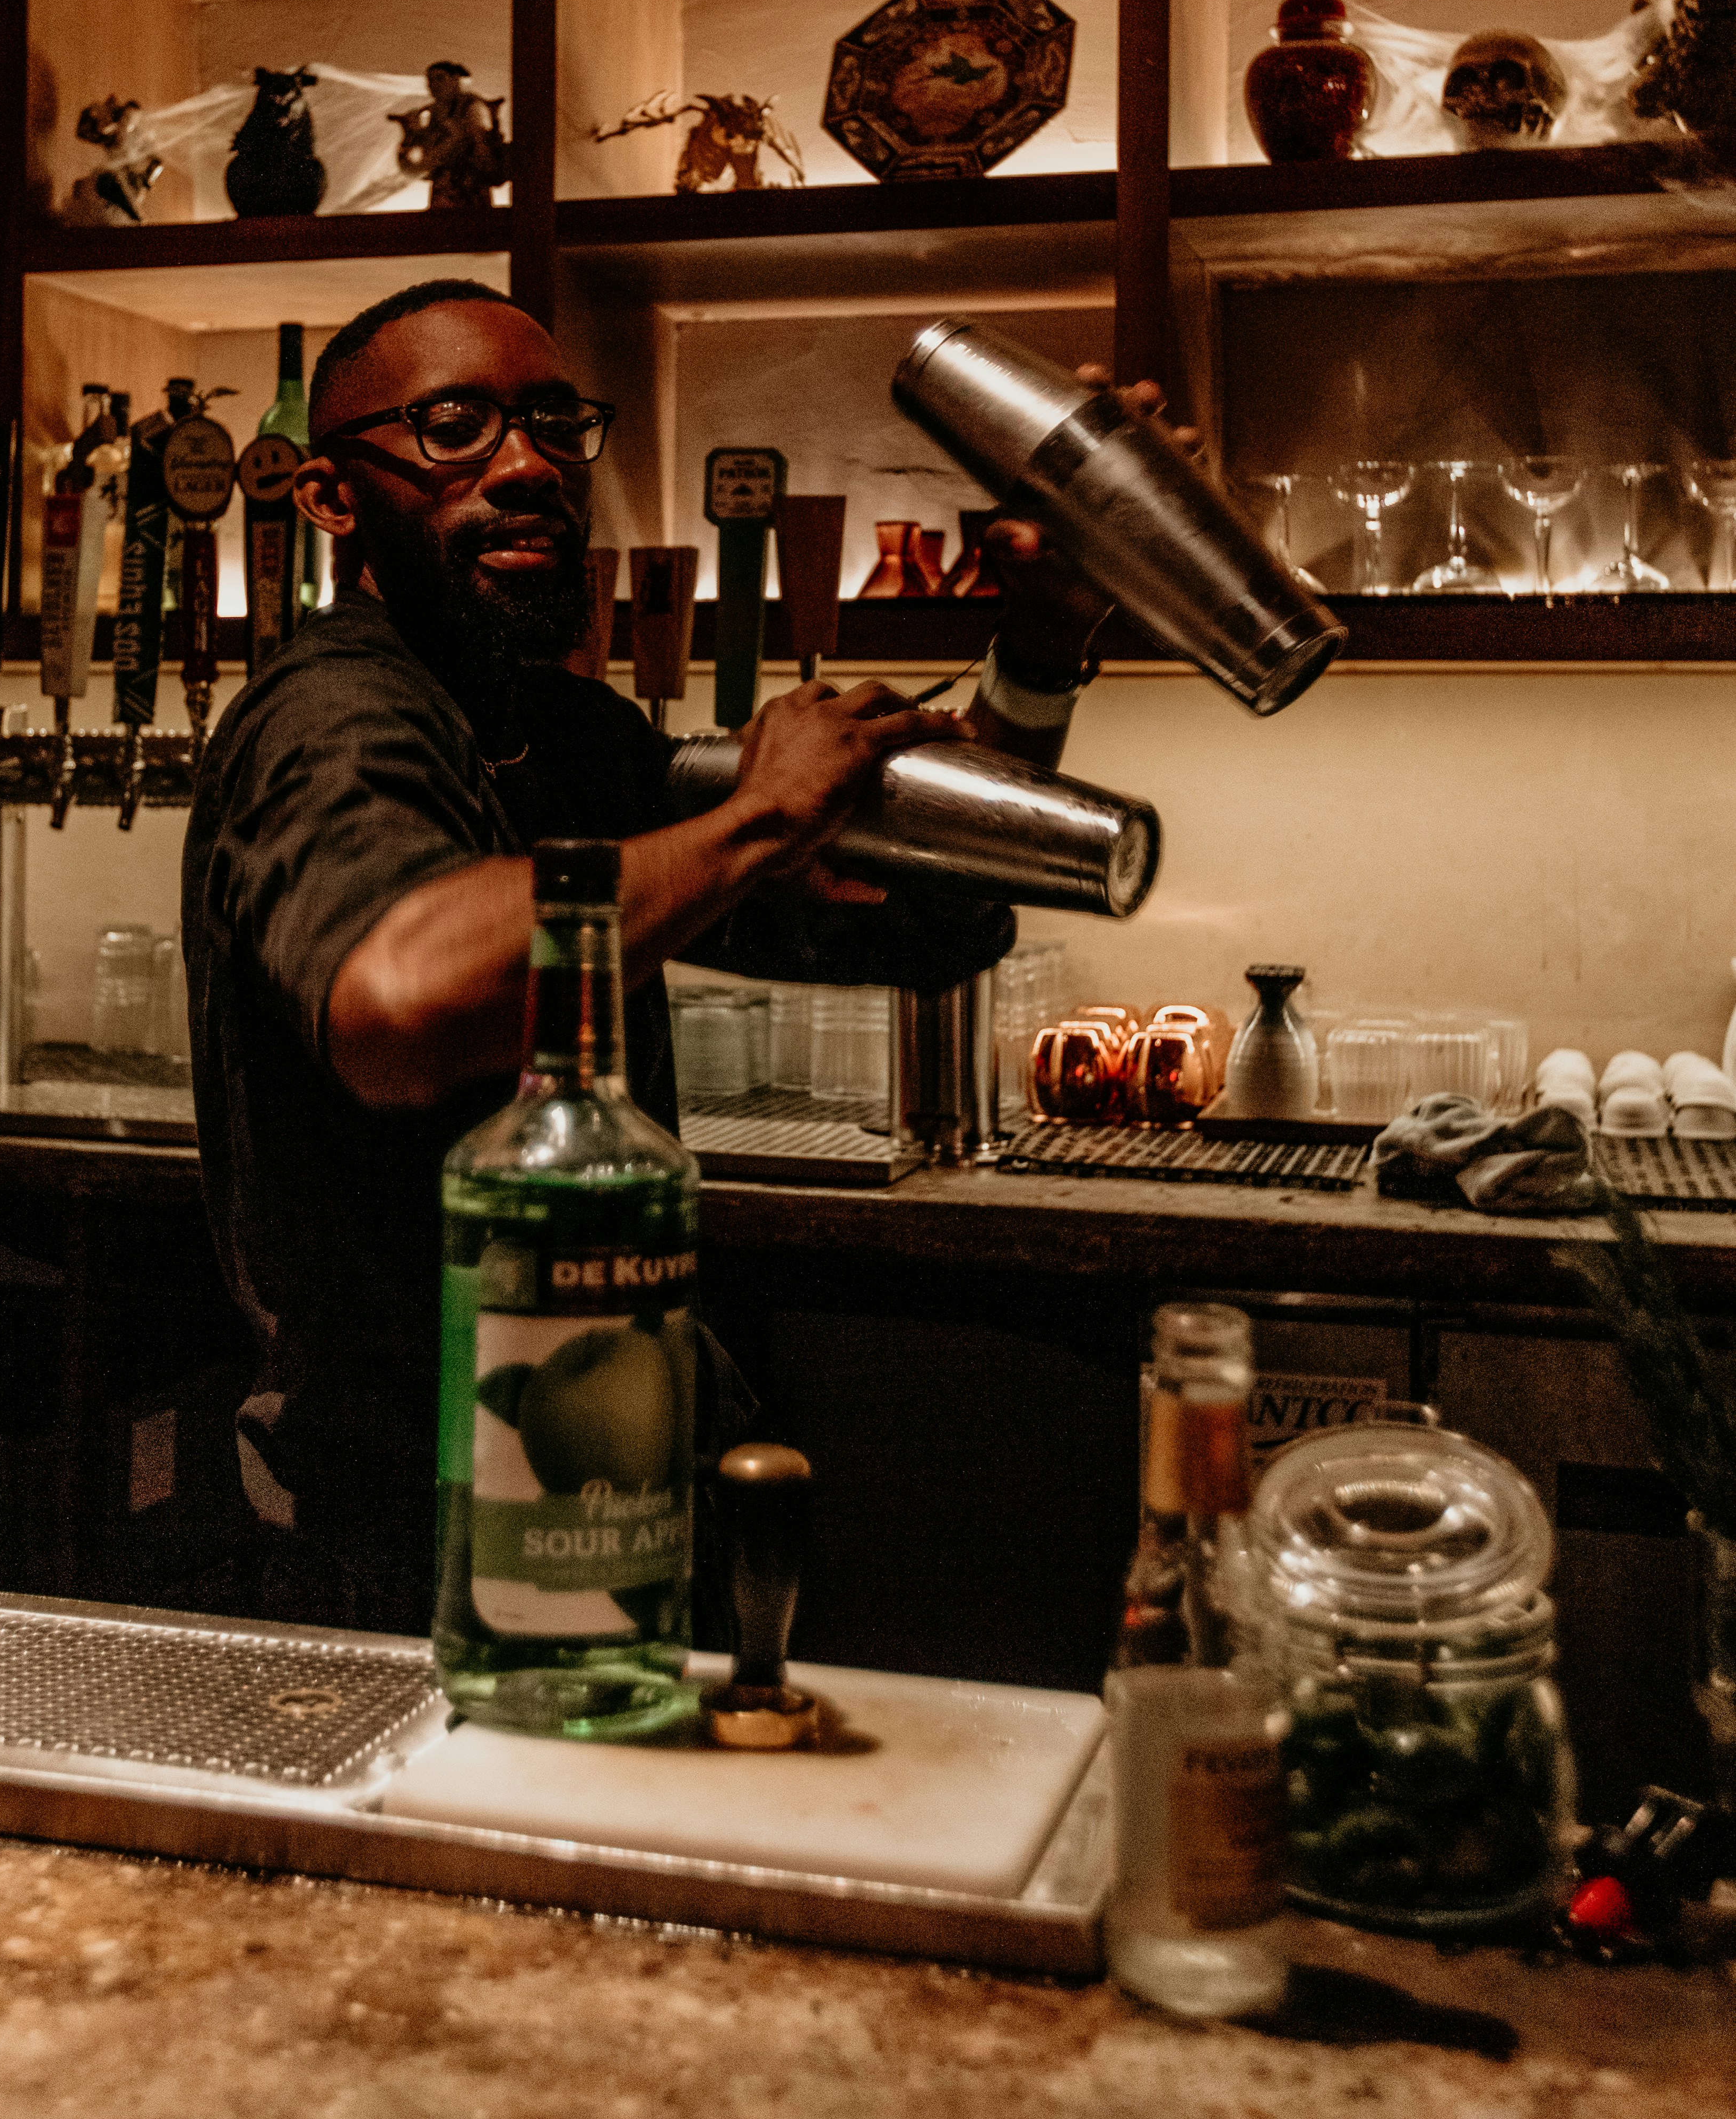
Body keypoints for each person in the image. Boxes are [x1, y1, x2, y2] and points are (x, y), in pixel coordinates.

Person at [184, 276, 1174, 1633]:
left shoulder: (564, 732)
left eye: (550, 424)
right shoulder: (330, 717)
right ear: (332, 497)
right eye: (455, 427)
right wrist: (761, 811)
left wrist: (1049, 630)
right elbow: (402, 996)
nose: (525, 464)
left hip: (608, 1455)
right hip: (411, 1518)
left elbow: (926, 914)